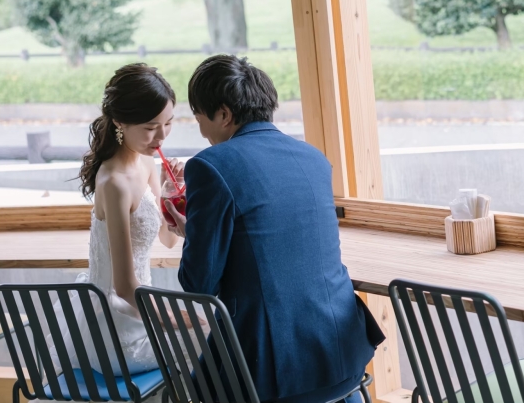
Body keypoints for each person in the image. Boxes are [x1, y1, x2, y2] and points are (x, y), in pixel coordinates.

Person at [164, 55, 385, 403]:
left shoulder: (211, 166)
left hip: (270, 369)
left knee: (189, 393)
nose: (203, 131)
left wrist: (191, 234)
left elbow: (199, 285)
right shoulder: (313, 157)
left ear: (223, 114)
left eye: (200, 119)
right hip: (343, 354)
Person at [48, 63, 199, 375]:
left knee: (216, 335)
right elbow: (125, 287)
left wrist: (171, 191)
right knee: (214, 340)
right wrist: (178, 318)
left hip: (143, 312)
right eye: (149, 127)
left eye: (168, 123)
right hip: (117, 330)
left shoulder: (147, 161)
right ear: (120, 122)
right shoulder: (114, 182)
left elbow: (169, 238)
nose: (161, 136)